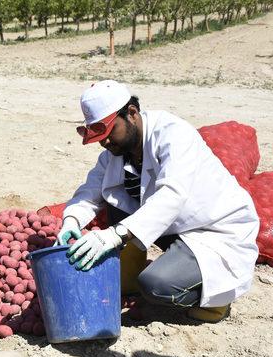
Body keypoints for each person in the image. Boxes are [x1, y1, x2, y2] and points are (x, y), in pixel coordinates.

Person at [57, 80, 259, 323]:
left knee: (156, 285)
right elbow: (91, 191)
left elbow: (171, 196)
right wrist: (71, 220)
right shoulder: (118, 151)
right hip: (176, 226)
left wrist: (113, 236)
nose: (105, 142)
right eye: (99, 137)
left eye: (109, 133)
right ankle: (129, 279)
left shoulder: (173, 135)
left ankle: (217, 301)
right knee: (113, 197)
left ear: (131, 114)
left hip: (215, 231)